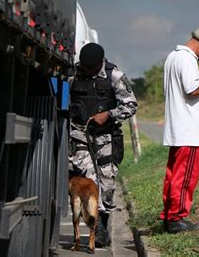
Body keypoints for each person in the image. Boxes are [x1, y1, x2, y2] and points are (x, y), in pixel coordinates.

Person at [68, 42, 138, 246]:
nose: (88, 72)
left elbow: (131, 105)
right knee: (90, 180)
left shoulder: (114, 76)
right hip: (79, 135)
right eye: (85, 67)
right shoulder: (74, 74)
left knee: (107, 183)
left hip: (106, 136)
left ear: (100, 63)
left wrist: (109, 114)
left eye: (92, 68)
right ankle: (95, 228)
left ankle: (103, 223)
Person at [160, 25, 199, 234]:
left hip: (178, 127)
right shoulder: (187, 59)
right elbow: (192, 89)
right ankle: (177, 218)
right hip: (189, 131)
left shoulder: (172, 57)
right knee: (185, 177)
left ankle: (169, 216)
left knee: (173, 175)